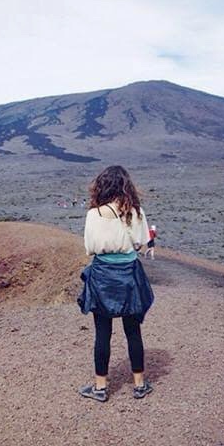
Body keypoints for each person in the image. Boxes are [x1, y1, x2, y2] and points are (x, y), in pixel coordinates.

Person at [77, 165, 154, 402]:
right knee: (133, 331)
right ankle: (139, 385)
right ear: (126, 185)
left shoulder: (93, 214)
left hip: (102, 275)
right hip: (129, 274)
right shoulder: (136, 212)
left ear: (101, 186)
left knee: (103, 332)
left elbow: (90, 248)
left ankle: (100, 388)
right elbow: (141, 242)